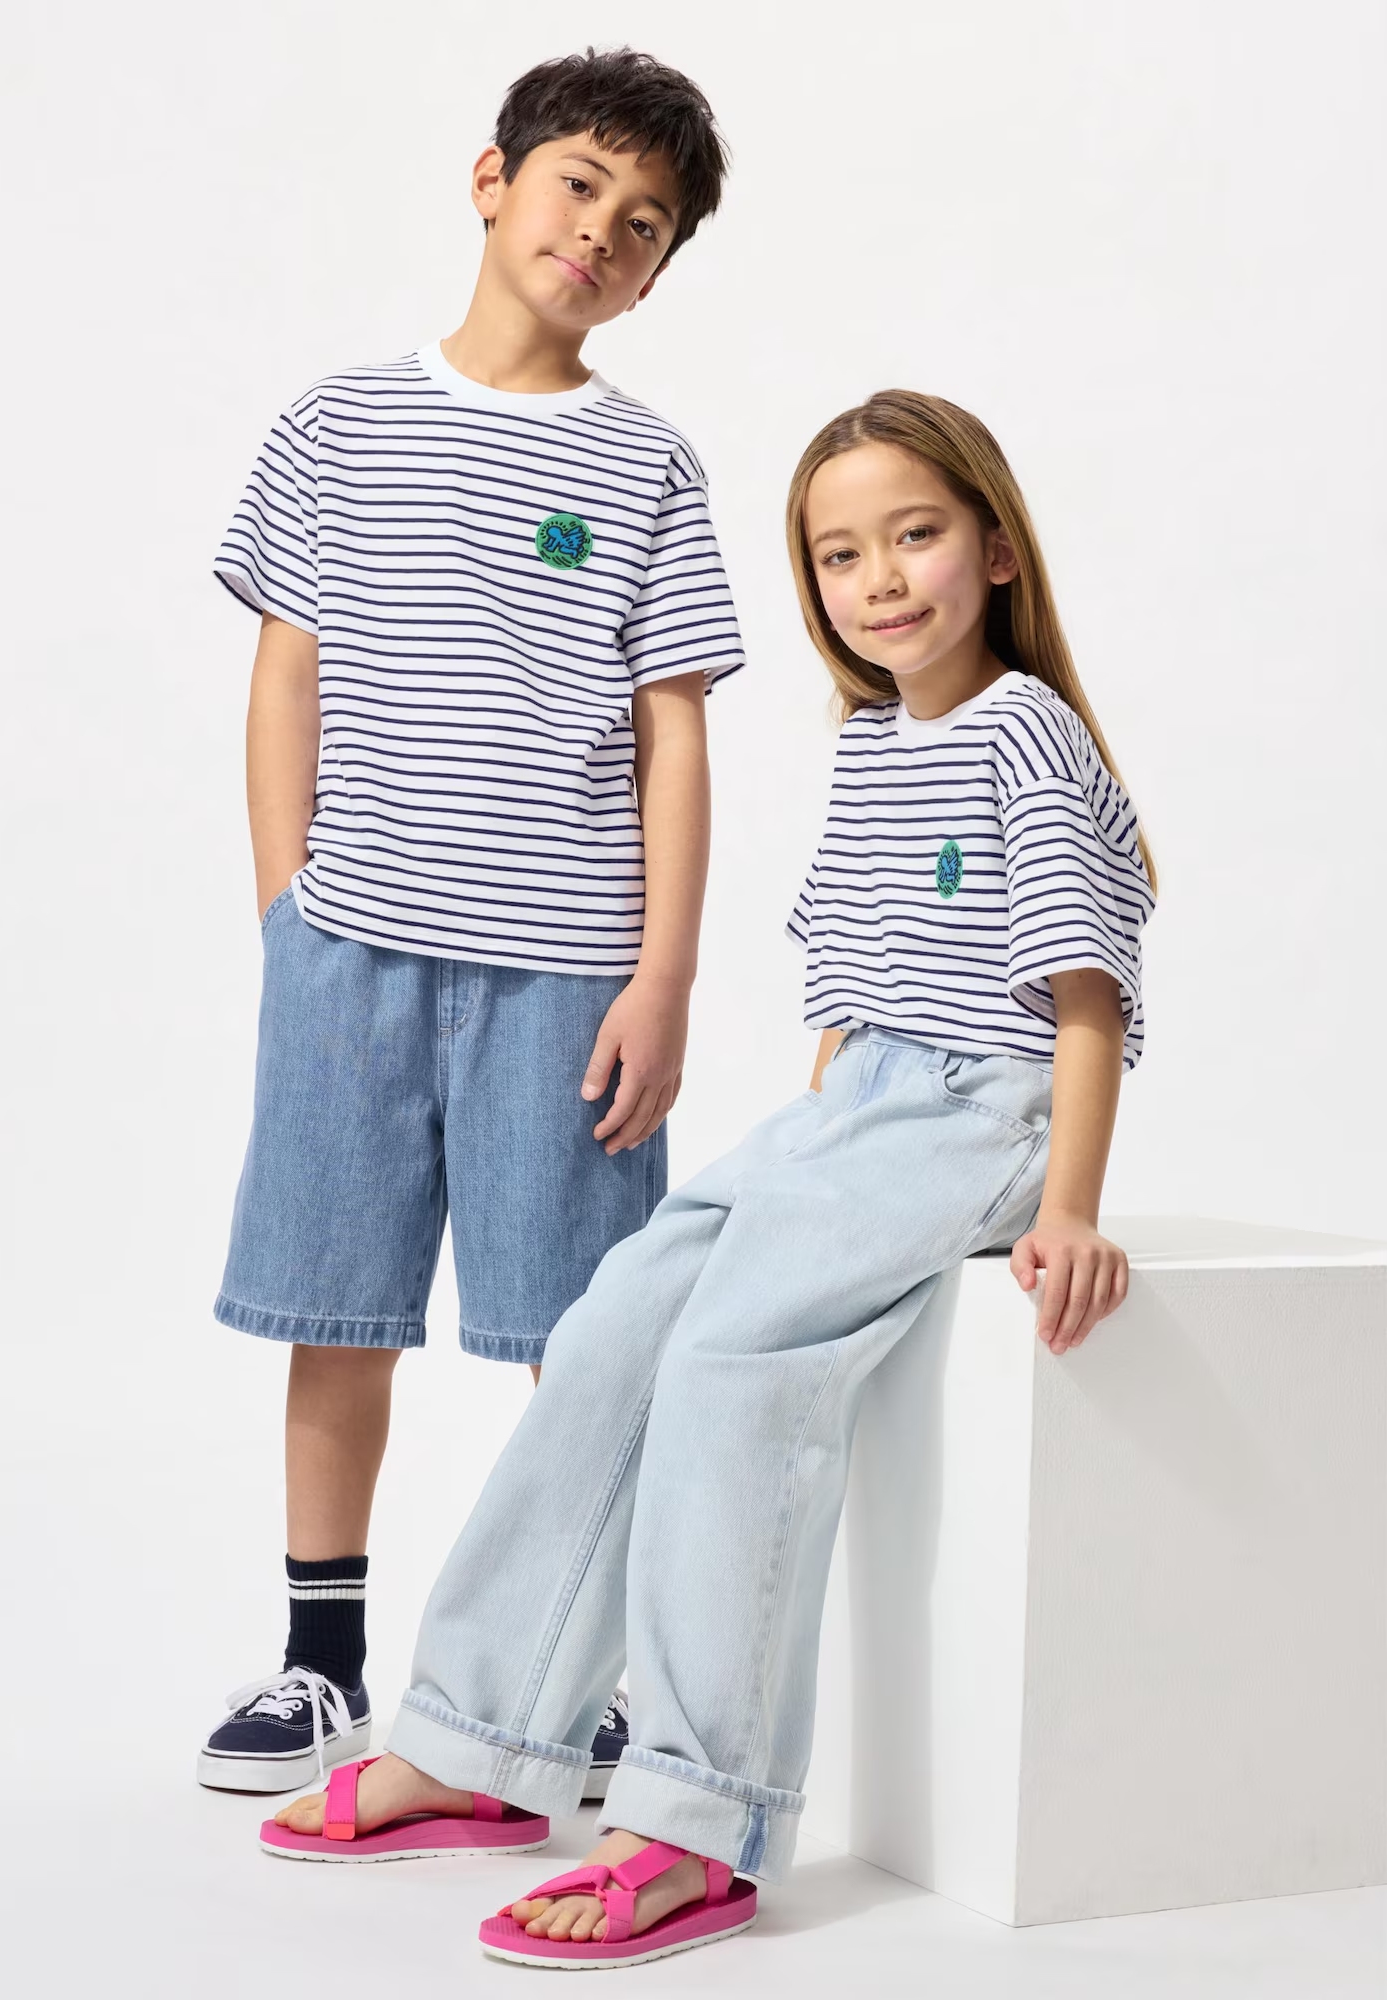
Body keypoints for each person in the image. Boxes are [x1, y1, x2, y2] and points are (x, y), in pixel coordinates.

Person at [259, 388, 1158, 1972]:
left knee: (738, 1357)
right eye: (839, 555)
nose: (879, 579)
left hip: (979, 1109)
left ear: (999, 549)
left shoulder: (1029, 730)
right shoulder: (873, 741)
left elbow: (1084, 996)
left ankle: (693, 1820)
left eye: (917, 535)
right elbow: (852, 996)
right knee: (616, 1325)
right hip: (856, 1111)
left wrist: (1070, 1205)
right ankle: (477, 1739)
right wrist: (807, 1145)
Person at [197, 48, 743, 1798]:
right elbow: (287, 673)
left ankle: (580, 1680)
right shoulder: (338, 423)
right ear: (494, 178)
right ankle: (323, 1667)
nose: (604, 230)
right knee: (333, 1308)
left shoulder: (650, 464)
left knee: (580, 1342)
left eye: (645, 224)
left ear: (655, 276)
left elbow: (672, 734)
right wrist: (286, 913)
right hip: (350, 954)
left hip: (566, 973)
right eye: (581, 182)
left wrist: (663, 979)